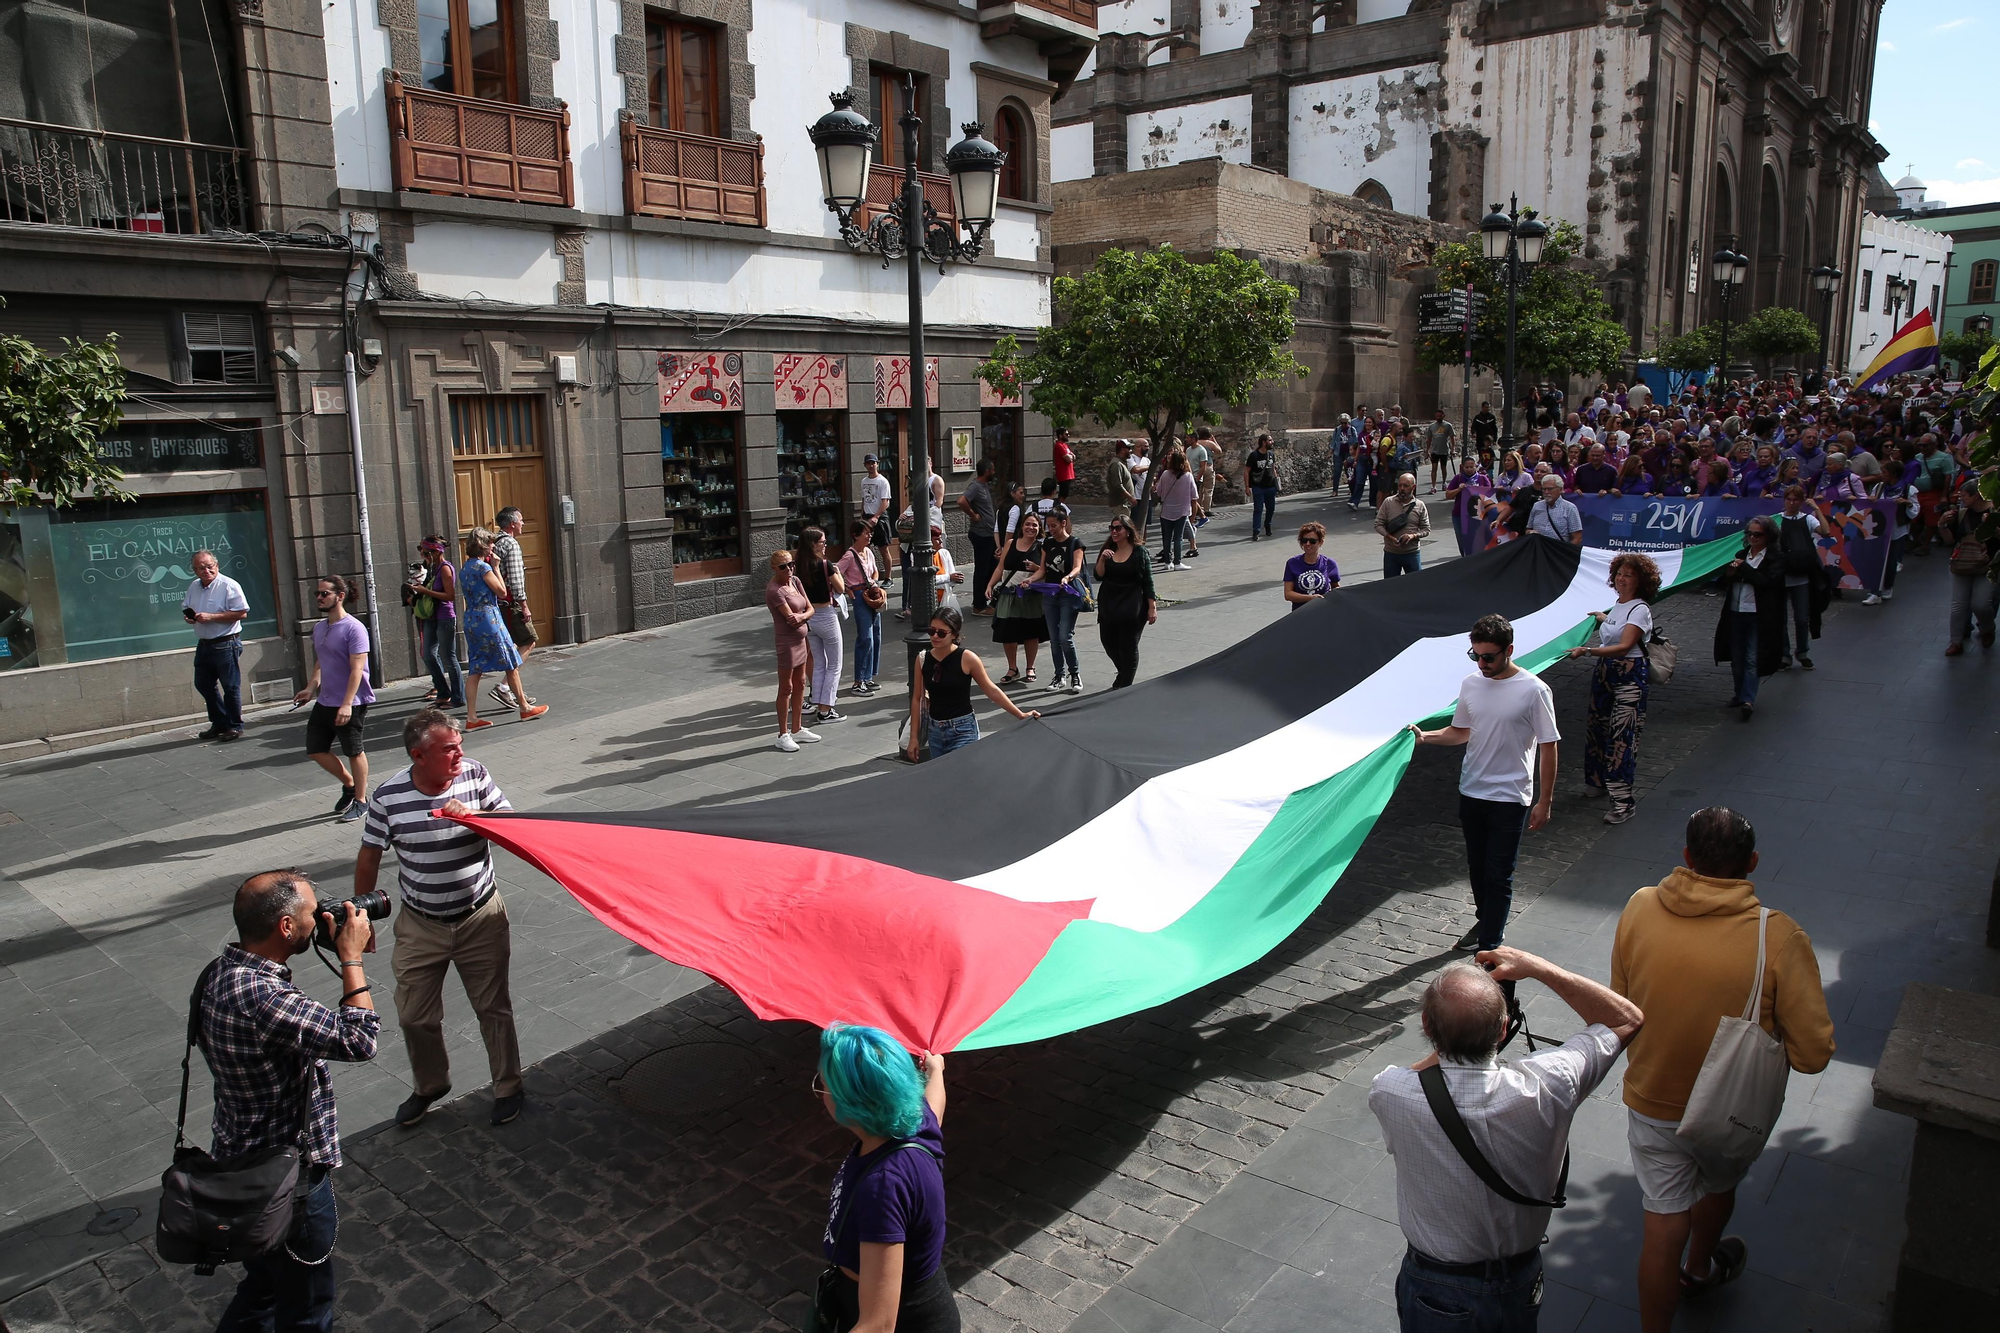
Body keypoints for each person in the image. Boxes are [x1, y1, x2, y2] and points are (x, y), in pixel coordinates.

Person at [1612, 807, 1834, 1333]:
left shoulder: (1641, 906)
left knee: (1662, 1221)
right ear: (1752, 863)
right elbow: (1814, 1054)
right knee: (1717, 1182)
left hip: (1651, 1097)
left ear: (1686, 858)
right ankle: (1698, 1268)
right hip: (1730, 1112)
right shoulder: (1779, 937)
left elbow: (1619, 1003)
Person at [1371, 948, 1642, 1333]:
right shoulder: (1549, 1083)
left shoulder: (1391, 1091)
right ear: (1503, 1030)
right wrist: (1540, 968)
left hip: (1435, 1284)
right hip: (1519, 1277)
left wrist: (1452, 1037)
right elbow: (1626, 1019)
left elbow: (1418, 1071)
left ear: (1427, 1026)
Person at [200, 870, 380, 1332]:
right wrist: (351, 958)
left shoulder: (218, 972)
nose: (319, 915)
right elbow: (359, 1040)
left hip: (238, 1157)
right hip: (286, 1180)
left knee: (262, 1288)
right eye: (309, 912)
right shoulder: (263, 996)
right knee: (307, 1305)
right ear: (284, 927)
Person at [353, 711, 523, 1130]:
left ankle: (508, 1086)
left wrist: (474, 818)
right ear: (418, 755)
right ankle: (431, 1083)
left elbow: (513, 825)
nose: (459, 755)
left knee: (493, 1008)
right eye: (448, 749)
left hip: (480, 916)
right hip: (420, 924)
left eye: (459, 745)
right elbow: (370, 853)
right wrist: (363, 914)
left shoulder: (475, 775)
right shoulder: (388, 797)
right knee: (413, 1015)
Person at [1409, 614, 1559, 951]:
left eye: (1488, 656)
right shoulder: (1471, 683)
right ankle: (1485, 921)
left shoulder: (1535, 690)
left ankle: (1491, 944)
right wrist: (1425, 738)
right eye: (1475, 655)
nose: (1481, 663)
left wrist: (1544, 800)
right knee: (1477, 867)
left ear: (1509, 650)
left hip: (1511, 795)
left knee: (1499, 873)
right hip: (1472, 789)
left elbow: (1549, 746)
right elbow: (1461, 731)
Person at [814, 1026, 958, 1333]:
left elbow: (878, 1324)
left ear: (847, 1102)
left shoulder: (882, 1188)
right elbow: (936, 1105)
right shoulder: (915, 1122)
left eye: (822, 1085)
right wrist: (936, 1070)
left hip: (909, 1320)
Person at [1566, 554, 1659, 825]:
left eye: (1628, 575)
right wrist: (1602, 618)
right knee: (1597, 727)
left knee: (1622, 736)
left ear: (1640, 581)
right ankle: (1595, 782)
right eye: (1619, 573)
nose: (1622, 578)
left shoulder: (1640, 609)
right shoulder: (1619, 605)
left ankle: (1622, 802)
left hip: (1630, 675)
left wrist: (1587, 651)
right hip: (1607, 673)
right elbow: (1615, 626)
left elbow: (1624, 644)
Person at [907, 606, 1039, 760]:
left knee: (964, 776)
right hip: (935, 731)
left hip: (963, 730)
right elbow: (917, 698)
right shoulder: (922, 659)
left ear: (954, 634)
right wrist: (913, 738)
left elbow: (991, 690)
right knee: (943, 780)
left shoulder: (967, 658)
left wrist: (1021, 715)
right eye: (931, 631)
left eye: (941, 633)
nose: (935, 636)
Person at [294, 575, 375, 824]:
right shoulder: (320, 628)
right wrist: (311, 687)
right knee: (315, 750)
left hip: (352, 701)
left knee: (354, 751)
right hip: (325, 700)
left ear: (340, 596)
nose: (318, 598)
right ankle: (349, 785)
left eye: (324, 594)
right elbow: (322, 660)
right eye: (317, 594)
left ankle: (361, 801)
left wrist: (347, 703)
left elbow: (357, 670)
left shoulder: (354, 628)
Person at [458, 530, 548, 731]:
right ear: (483, 546)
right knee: (510, 662)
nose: (493, 547)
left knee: (476, 668)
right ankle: (524, 707)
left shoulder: (465, 568)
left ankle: (471, 717)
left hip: (471, 618)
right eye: (490, 544)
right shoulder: (483, 567)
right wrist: (496, 567)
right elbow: (501, 591)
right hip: (488, 618)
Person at [1712, 515, 1786, 721]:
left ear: (1768, 536)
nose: (1752, 537)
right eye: (1749, 533)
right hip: (1735, 612)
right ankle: (1739, 694)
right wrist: (1729, 574)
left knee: (1752, 657)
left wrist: (1744, 570)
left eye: (1757, 534)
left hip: (1758, 614)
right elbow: (1725, 583)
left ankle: (1748, 699)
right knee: (1737, 658)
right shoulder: (1741, 554)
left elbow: (1765, 581)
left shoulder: (1775, 558)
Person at [183, 548, 249, 741]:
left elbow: (241, 612)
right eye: (201, 568)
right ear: (194, 570)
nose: (206, 571)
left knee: (230, 686)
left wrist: (212, 617)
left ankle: (234, 725)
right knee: (203, 683)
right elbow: (187, 607)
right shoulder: (194, 586)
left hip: (226, 642)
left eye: (209, 566)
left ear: (217, 565)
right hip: (204, 643)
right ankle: (219, 722)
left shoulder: (229, 585)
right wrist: (190, 618)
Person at [793, 527, 848, 727]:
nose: (825, 545)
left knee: (818, 663)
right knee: (834, 664)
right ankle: (826, 709)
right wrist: (838, 573)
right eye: (823, 542)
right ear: (813, 544)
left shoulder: (797, 566)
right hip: (825, 614)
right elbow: (841, 588)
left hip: (808, 617)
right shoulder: (825, 564)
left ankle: (817, 702)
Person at [1094, 516, 1158, 688]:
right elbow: (1098, 575)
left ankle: (1126, 684)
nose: (1114, 532)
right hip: (1109, 603)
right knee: (1108, 641)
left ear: (1128, 531)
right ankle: (1123, 671)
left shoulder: (1139, 552)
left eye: (1118, 528)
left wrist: (1152, 607)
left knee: (1128, 645)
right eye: (1112, 528)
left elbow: (1148, 580)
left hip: (1133, 605)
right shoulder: (1108, 549)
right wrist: (1101, 560)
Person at [1937, 475, 1998, 655]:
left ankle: (1988, 628)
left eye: (1964, 496)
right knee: (1958, 605)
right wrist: (1942, 525)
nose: (1960, 499)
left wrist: (1992, 529)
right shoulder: (1961, 514)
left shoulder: (1994, 513)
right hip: (1961, 564)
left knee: (1981, 604)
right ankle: (1955, 641)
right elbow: (1950, 541)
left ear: (1976, 496)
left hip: (1987, 566)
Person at [986, 510, 1047, 683]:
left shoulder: (1042, 548)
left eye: (1035, 525)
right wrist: (990, 585)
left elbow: (1045, 572)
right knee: (1007, 632)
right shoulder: (1011, 543)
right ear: (1022, 526)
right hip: (1009, 594)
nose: (1031, 528)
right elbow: (1000, 568)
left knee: (1030, 632)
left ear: (1039, 528)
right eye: (1028, 524)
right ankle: (1012, 668)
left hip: (1031, 595)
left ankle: (1030, 667)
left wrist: (1035, 567)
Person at [765, 549, 816, 751]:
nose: (789, 569)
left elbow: (810, 608)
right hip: (786, 642)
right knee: (786, 688)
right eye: (783, 566)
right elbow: (791, 620)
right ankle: (783, 733)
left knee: (801, 682)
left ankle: (797, 728)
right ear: (774, 568)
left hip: (802, 640)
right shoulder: (774, 591)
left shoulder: (795, 581)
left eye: (791, 564)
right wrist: (804, 616)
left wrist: (803, 615)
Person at [1033, 505, 1088, 694]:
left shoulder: (1075, 543)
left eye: (1054, 525)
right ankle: (1059, 675)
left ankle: (1075, 674)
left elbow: (1077, 567)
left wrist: (1067, 578)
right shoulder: (1046, 544)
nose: (1051, 530)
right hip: (1050, 595)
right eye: (1048, 526)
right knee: (1054, 639)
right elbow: (1042, 570)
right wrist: (1030, 580)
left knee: (1065, 637)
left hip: (1068, 594)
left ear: (1064, 523)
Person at [488, 507, 536, 710]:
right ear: (512, 524)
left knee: (513, 645)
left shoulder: (494, 542)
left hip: (497, 604)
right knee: (529, 641)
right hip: (511, 604)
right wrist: (524, 605)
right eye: (521, 520)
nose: (523, 523)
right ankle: (504, 686)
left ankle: (514, 690)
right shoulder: (511, 544)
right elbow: (516, 580)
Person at [407, 537, 463, 709]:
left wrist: (425, 591)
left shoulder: (445, 569)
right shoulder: (430, 568)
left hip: (444, 617)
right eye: (422, 552)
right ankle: (443, 691)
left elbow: (450, 596)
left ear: (437, 552)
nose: (423, 556)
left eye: (426, 553)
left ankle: (458, 697)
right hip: (429, 618)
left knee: (448, 657)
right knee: (428, 654)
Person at [1773, 486, 1825, 669]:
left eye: (1796, 500)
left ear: (1801, 501)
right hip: (1782, 575)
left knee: (1802, 617)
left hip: (1801, 576)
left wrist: (1817, 509)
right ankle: (1784, 654)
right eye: (1789, 499)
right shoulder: (1777, 520)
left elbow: (1825, 532)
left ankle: (1802, 651)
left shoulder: (1808, 519)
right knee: (1781, 619)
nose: (1792, 503)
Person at [838, 520, 886, 694]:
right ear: (855, 535)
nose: (869, 536)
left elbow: (875, 571)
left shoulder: (868, 552)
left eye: (870, 533)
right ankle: (859, 681)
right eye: (866, 533)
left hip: (871, 593)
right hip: (859, 596)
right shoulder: (850, 555)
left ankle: (868, 677)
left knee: (876, 634)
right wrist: (847, 588)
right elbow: (836, 572)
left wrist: (873, 582)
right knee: (865, 637)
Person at [1862, 460, 1917, 606]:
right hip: (1878, 529)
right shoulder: (1879, 487)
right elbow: (1870, 506)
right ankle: (1874, 592)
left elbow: (1915, 510)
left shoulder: (1908, 489)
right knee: (1876, 560)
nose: (1881, 475)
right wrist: (1870, 501)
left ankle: (1887, 587)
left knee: (1891, 562)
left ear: (1893, 474)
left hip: (1896, 530)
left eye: (1884, 472)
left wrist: (1907, 503)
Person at [958, 458, 998, 616]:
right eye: (993, 469)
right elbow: (961, 501)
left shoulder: (984, 487)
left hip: (989, 535)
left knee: (993, 567)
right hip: (981, 534)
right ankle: (978, 605)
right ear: (987, 471)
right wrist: (973, 515)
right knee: (982, 569)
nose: (994, 472)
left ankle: (985, 598)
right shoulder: (975, 486)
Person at [1375, 472, 1430, 578]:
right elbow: (1378, 524)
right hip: (1391, 553)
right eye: (1400, 485)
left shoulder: (1420, 505)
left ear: (1413, 487)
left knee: (1416, 585)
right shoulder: (1388, 502)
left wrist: (1412, 536)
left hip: (1412, 553)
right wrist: (1390, 538)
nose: (1402, 488)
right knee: (1391, 587)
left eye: (1406, 486)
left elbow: (1426, 529)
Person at [1152, 448, 1198, 570]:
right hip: (1182, 511)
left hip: (1166, 510)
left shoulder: (1165, 474)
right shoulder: (1188, 476)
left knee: (1166, 537)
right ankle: (1178, 562)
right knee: (1178, 537)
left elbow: (1160, 492)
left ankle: (1168, 562)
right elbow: (1194, 495)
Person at [1283, 522, 1339, 610]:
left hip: (1324, 611)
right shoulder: (1292, 563)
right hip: (1300, 613)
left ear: (1320, 542)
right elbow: (1288, 594)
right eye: (1304, 540)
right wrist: (1310, 598)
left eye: (1312, 541)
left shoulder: (1329, 563)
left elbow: (1336, 589)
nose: (1307, 544)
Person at [1525, 473, 1584, 544]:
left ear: (1560, 489)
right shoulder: (1537, 506)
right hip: (1537, 550)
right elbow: (1528, 529)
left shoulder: (1570, 508)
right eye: (1544, 489)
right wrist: (1530, 532)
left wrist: (1565, 553)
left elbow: (1577, 538)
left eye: (1550, 489)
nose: (1546, 492)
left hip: (1558, 551)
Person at [1185, 427, 1215, 557]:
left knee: (1193, 500)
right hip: (1188, 477)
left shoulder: (1201, 450)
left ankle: (1197, 519)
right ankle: (1202, 516)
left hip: (1196, 478)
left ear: (1194, 438)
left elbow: (1203, 467)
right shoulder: (1187, 450)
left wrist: (1197, 478)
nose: (1186, 440)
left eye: (1188, 438)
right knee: (1193, 500)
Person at [1244, 432, 1279, 539]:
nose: (1272, 442)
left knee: (1271, 508)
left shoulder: (1271, 454)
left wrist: (1277, 481)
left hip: (1270, 486)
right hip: (1258, 486)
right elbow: (1246, 471)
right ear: (1263, 442)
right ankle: (1256, 531)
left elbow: (1273, 468)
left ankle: (1267, 525)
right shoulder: (1254, 455)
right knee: (1258, 509)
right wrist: (1247, 486)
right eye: (1270, 440)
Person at [860, 453, 893, 560]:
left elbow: (885, 501)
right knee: (864, 547)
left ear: (877, 464)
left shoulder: (883, 481)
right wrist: (862, 516)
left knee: (883, 549)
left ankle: (888, 576)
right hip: (867, 517)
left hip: (880, 518)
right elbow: (864, 499)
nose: (871, 466)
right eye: (868, 463)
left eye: (873, 463)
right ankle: (867, 574)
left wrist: (877, 516)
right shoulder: (864, 481)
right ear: (865, 465)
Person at [1105, 440, 1136, 523]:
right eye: (1129, 448)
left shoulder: (1121, 463)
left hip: (1124, 504)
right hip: (1120, 504)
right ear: (1122, 450)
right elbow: (1117, 486)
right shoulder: (1116, 464)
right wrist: (1131, 498)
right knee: (1123, 528)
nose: (1131, 451)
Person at [1426, 410, 1456, 491]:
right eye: (1437, 416)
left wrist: (1453, 449)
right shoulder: (1431, 426)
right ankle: (1433, 486)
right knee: (1434, 467)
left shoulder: (1448, 425)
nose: (1438, 417)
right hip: (1434, 450)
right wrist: (1427, 450)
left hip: (1444, 450)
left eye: (1440, 416)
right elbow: (1429, 439)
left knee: (1443, 467)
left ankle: (1444, 482)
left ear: (1443, 416)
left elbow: (1452, 438)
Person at [1051, 429, 1075, 500]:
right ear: (1060, 436)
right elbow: (1068, 459)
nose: (1068, 436)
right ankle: (1059, 508)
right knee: (1062, 495)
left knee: (1065, 494)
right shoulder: (1059, 446)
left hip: (1068, 475)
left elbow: (1073, 456)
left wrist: (1070, 456)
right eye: (1066, 434)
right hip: (1063, 475)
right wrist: (1070, 456)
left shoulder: (1065, 445)